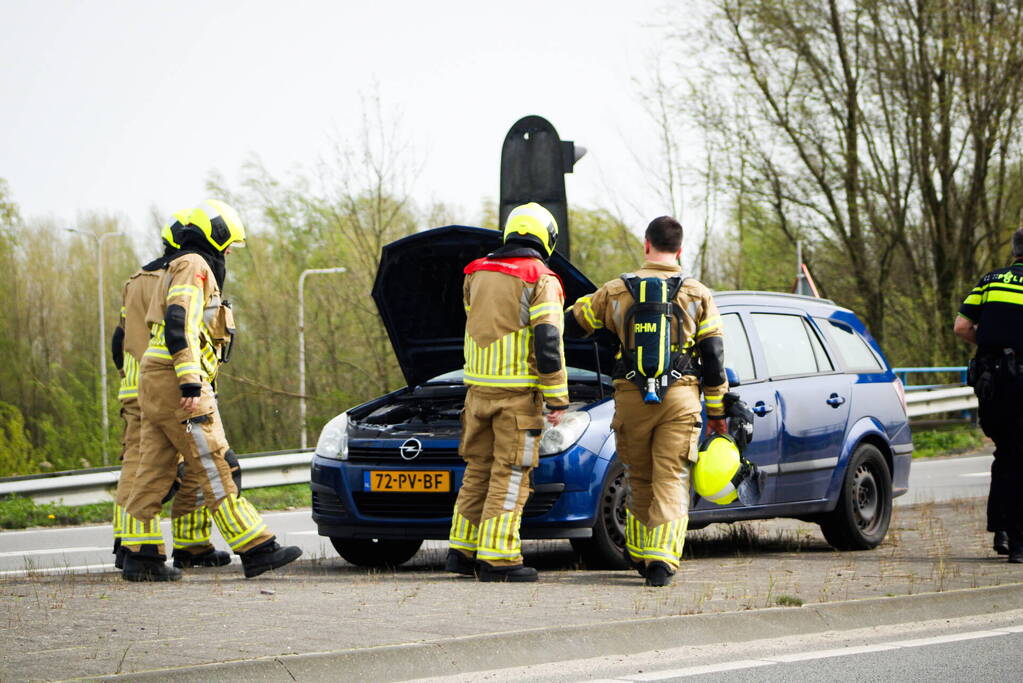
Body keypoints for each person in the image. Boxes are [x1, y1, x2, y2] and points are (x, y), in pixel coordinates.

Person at [122, 200, 302, 581]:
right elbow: (181, 322)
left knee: (152, 470)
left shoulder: (176, 264)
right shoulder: (195, 265)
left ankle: (141, 557)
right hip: (177, 381)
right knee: (214, 461)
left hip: (154, 380)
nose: (231, 251)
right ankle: (256, 547)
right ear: (215, 235)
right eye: (230, 243)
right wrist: (189, 379)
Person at [565, 216, 727, 587]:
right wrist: (716, 410)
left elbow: (574, 324)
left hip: (631, 397)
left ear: (646, 244)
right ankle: (662, 559)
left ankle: (637, 552)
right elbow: (714, 355)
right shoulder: (698, 293)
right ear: (680, 249)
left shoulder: (616, 290)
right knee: (671, 476)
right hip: (681, 398)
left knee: (638, 477)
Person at [446, 202, 568, 583]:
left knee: (477, 470)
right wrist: (557, 396)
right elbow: (548, 341)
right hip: (517, 395)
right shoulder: (541, 278)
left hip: (477, 392)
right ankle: (499, 556)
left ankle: (463, 550)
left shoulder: (475, 273)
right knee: (512, 472)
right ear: (546, 237)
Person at [110, 210, 231, 571]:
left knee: (140, 464)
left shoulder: (135, 279)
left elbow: (120, 337)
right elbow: (185, 329)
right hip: (174, 381)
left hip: (135, 385)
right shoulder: (180, 272)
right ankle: (192, 545)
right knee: (199, 462)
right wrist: (192, 378)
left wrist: (125, 374)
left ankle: (131, 544)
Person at [954, 226, 1023, 564]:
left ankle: (1002, 531)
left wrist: (990, 349)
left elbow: (962, 327)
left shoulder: (991, 280)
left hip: (991, 383)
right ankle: (1019, 545)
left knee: (1006, 453)